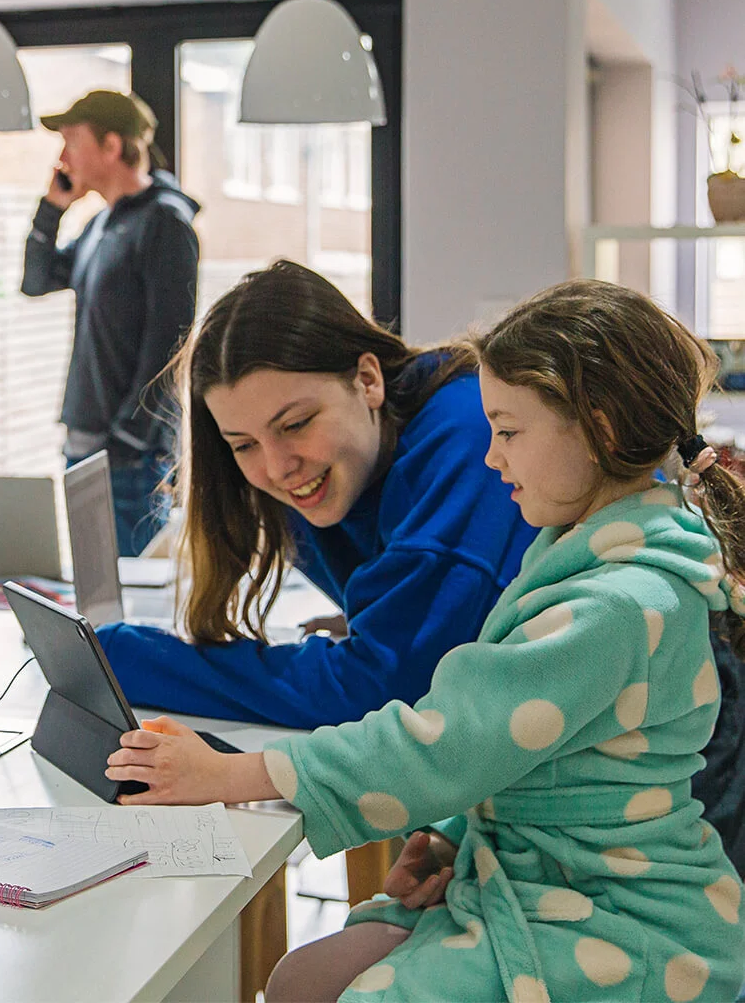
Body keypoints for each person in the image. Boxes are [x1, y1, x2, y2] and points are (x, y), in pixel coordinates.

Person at [107, 279, 745, 1003]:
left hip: (614, 909)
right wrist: (447, 833)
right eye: (244, 444)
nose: (492, 458)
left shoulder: (617, 604)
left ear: (596, 428)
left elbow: (446, 737)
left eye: (506, 433)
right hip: (546, 869)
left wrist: (231, 774)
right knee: (301, 978)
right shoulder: (574, 549)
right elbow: (523, 739)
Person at [96, 259, 536, 727]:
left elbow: (380, 691)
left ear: (367, 381)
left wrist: (128, 658)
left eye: (296, 424)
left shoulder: (468, 437)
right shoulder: (334, 461)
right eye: (243, 444)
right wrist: (385, 618)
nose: (277, 467)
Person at [21, 89, 200, 555]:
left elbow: (172, 345)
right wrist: (52, 209)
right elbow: (36, 281)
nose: (63, 157)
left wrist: (126, 440)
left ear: (112, 146)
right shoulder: (101, 224)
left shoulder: (165, 222)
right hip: (84, 445)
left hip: (128, 457)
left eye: (72, 141)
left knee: (131, 599)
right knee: (96, 595)